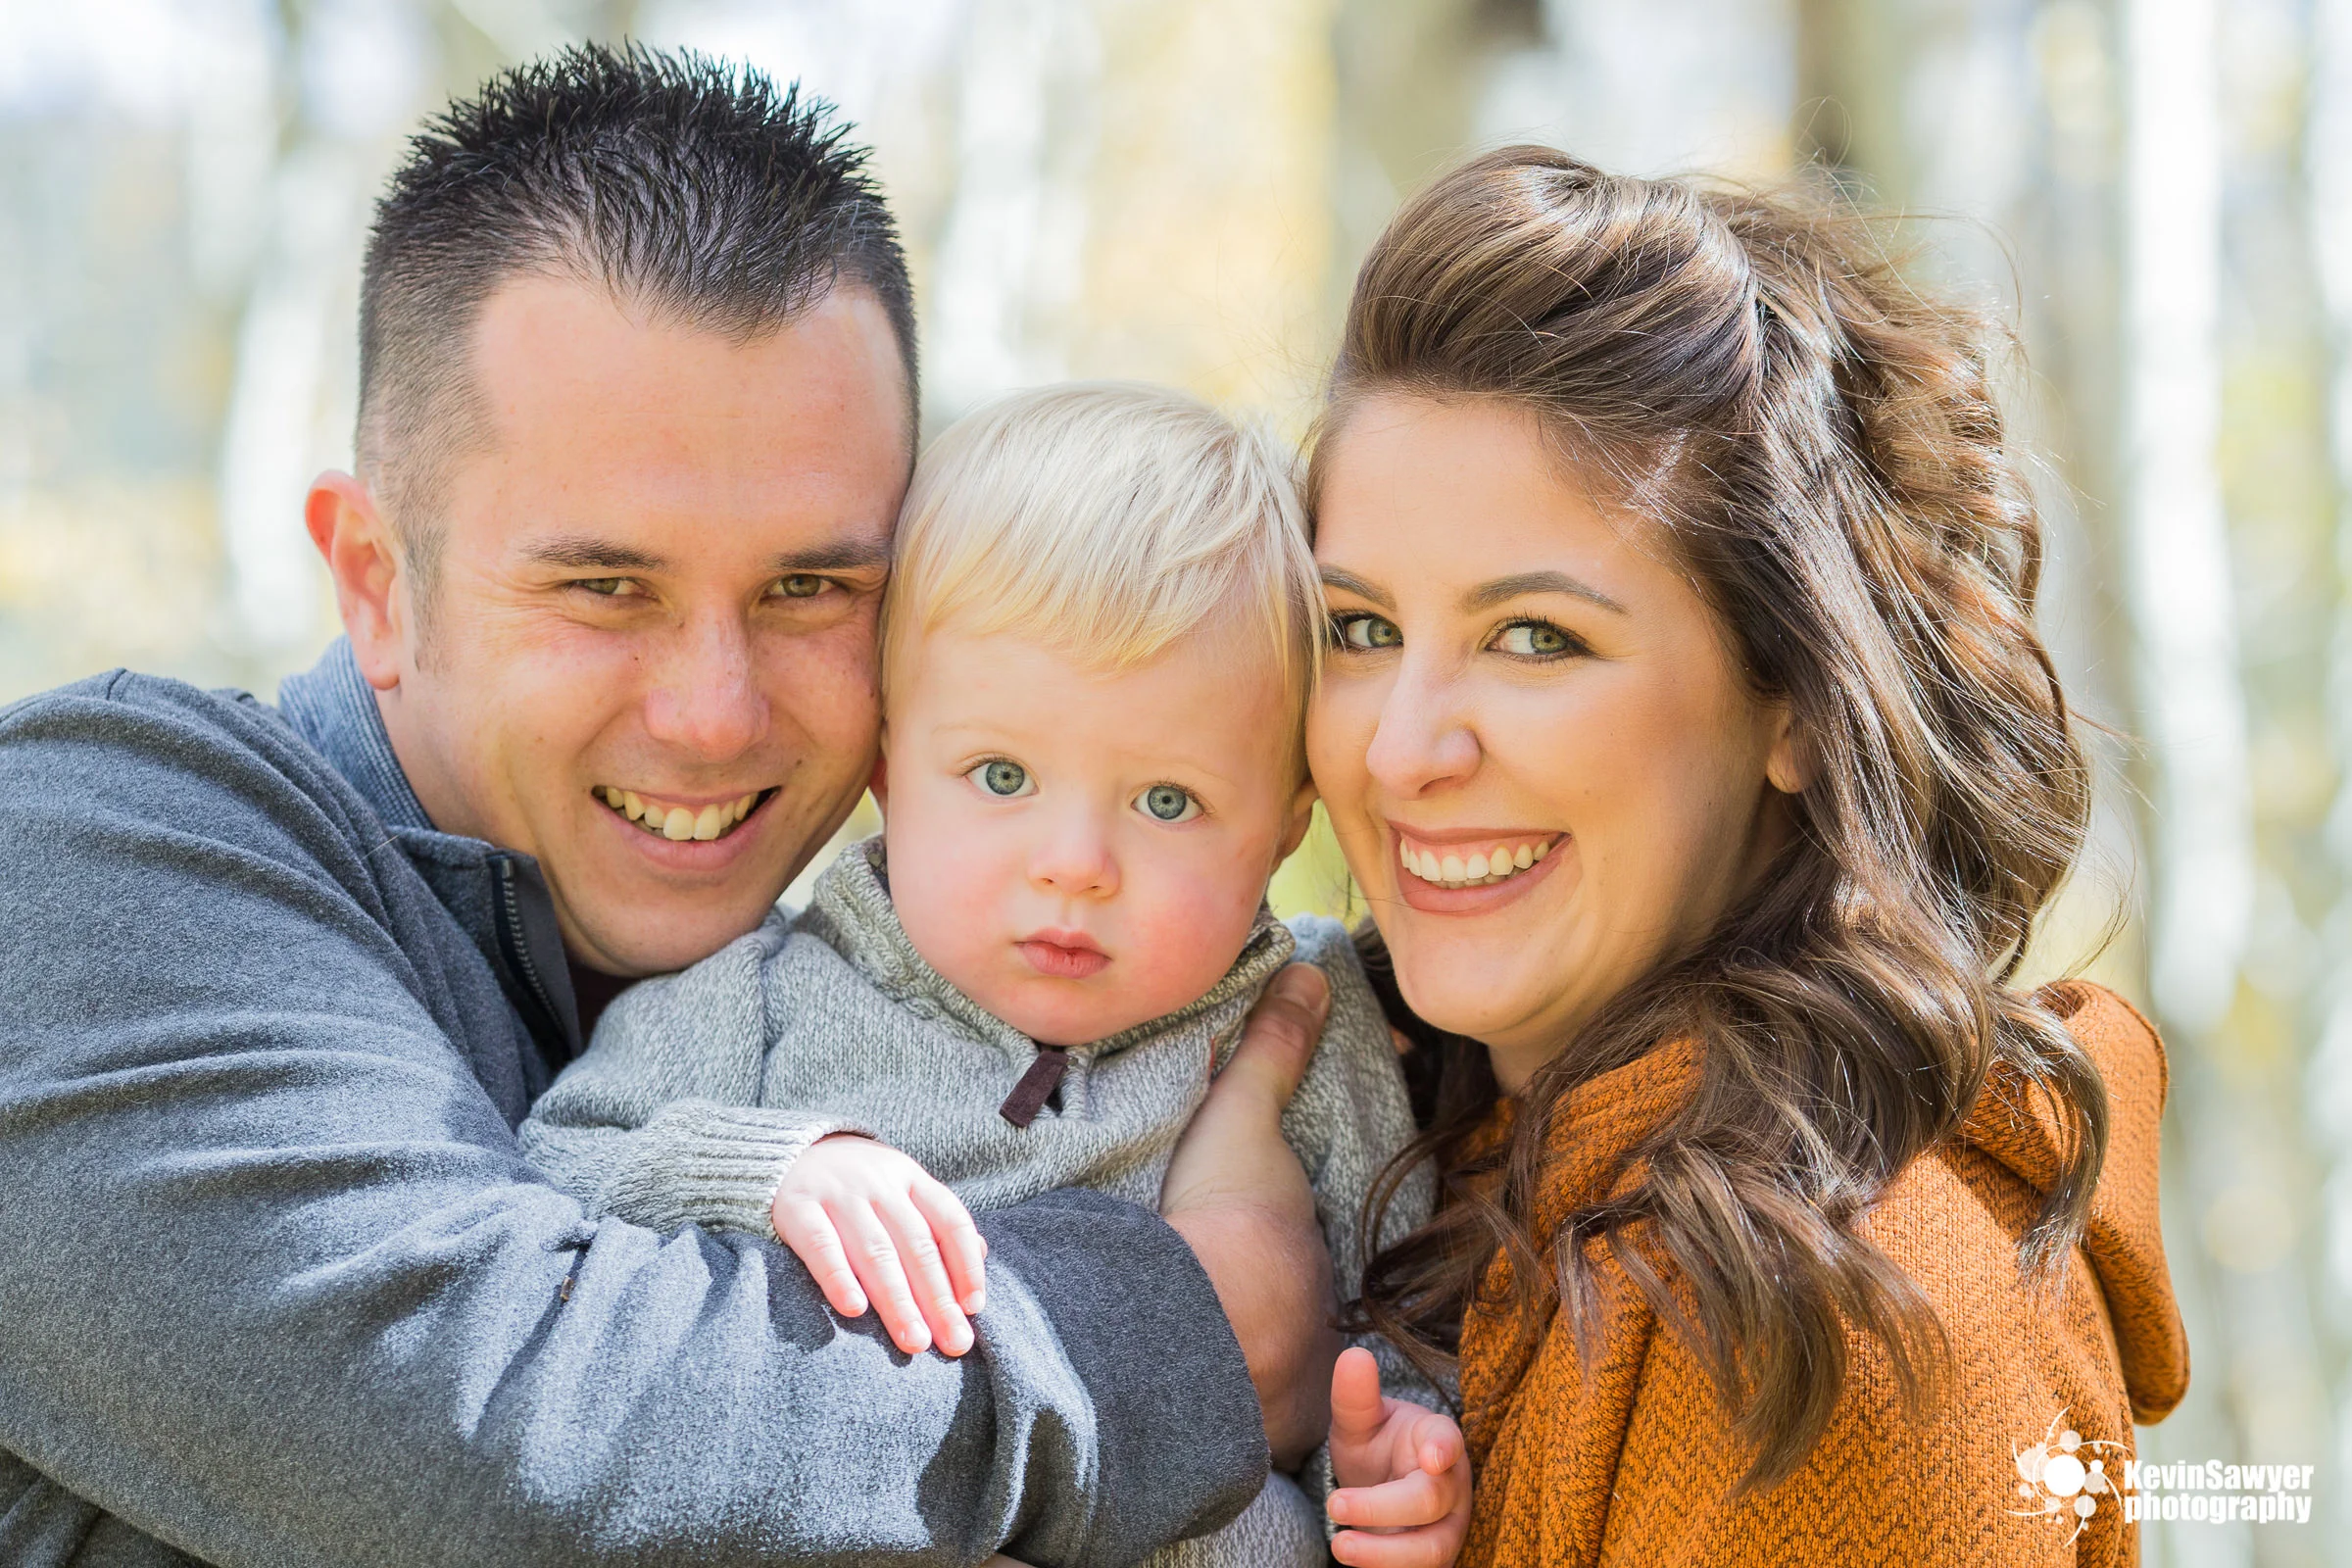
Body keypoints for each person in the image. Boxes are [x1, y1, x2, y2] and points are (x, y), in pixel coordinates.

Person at [0, 47, 1342, 1568]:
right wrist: (1190, 1328)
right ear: (377, 581)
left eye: (809, 587)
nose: (715, 712)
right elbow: (508, 1454)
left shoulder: (918, 992)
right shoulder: (91, 853)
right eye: (604, 586)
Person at [1300, 147, 2191, 1566]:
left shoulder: (1840, 1321)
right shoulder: (1363, 1140)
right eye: (1358, 629)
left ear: (1792, 699)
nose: (1402, 750)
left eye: (1536, 638)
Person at [518, 381, 1473, 1568]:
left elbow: (1403, 1308)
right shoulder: (762, 991)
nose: (1075, 866)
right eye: (1003, 777)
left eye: (1167, 801)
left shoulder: (1304, 1019)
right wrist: (773, 1167)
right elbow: (552, 1181)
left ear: (1286, 824)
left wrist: (1388, 1455)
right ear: (886, 762)